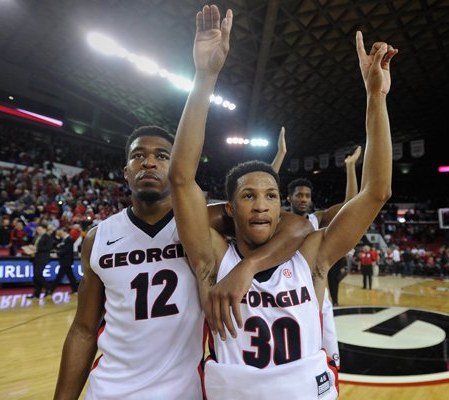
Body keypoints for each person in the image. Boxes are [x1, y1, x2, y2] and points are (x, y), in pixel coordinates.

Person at [54, 7, 311, 399]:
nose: (150, 162)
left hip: (185, 391)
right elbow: (85, 329)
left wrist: (205, 75)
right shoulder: (98, 238)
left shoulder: (203, 224)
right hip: (108, 391)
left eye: (161, 155)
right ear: (125, 171)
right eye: (139, 155)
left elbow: (294, 226)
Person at [169, 22, 396, 399]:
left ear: (282, 207)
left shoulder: (311, 255)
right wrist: (206, 76)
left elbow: (377, 192)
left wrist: (376, 97)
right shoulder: (211, 259)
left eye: (271, 196)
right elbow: (180, 179)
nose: (261, 204)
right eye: (248, 196)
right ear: (229, 207)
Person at [272, 128, 361, 368]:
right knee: (292, 356)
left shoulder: (317, 218)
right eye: (299, 195)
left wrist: (351, 168)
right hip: (286, 293)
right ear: (288, 198)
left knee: (327, 356)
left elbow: (350, 206)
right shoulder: (277, 218)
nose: (303, 199)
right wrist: (281, 154)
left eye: (307, 195)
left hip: (316, 292)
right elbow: (266, 183)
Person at [25, 223, 54, 299]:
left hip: (42, 258)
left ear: (44, 229)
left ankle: (48, 288)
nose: (38, 231)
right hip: (35, 257)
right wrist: (30, 247)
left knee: (38, 274)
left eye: (39, 229)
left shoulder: (48, 237)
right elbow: (32, 244)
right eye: (37, 230)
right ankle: (36, 293)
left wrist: (36, 249)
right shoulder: (36, 237)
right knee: (35, 276)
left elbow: (48, 247)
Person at [48, 227, 78, 295]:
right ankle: (75, 289)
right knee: (71, 276)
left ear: (64, 231)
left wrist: (57, 254)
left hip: (66, 261)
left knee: (59, 276)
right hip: (64, 261)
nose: (59, 232)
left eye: (60, 231)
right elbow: (61, 248)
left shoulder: (69, 239)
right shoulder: (64, 240)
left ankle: (50, 290)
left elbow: (66, 250)